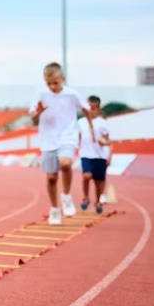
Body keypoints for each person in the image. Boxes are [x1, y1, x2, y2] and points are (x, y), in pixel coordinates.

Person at [29, 62, 95, 225]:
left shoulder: (71, 94)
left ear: (62, 79)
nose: (52, 86)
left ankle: (66, 197)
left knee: (65, 163)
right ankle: (54, 210)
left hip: (68, 135)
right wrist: (38, 112)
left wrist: (91, 128)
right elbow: (32, 117)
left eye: (55, 82)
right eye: (48, 83)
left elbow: (85, 109)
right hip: (48, 139)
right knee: (51, 177)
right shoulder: (42, 94)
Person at [78, 95, 112, 214]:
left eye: (93, 108)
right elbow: (77, 138)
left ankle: (98, 201)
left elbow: (109, 141)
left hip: (99, 155)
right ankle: (86, 197)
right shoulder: (80, 122)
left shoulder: (103, 123)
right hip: (86, 154)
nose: (91, 111)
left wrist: (105, 144)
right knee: (86, 176)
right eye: (89, 108)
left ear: (98, 109)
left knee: (98, 182)